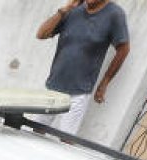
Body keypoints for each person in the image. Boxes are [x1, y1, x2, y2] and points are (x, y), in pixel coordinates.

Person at [34, 0, 130, 135]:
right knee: (36, 132)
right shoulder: (72, 10)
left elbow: (123, 49)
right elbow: (41, 34)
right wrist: (64, 10)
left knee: (66, 140)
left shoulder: (115, 14)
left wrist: (104, 82)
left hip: (79, 92)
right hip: (53, 86)